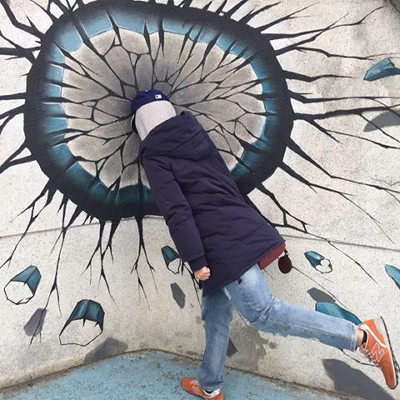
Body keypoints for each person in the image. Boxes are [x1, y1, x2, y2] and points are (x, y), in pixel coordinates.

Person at [133, 89, 398, 399]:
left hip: (220, 244)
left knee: (264, 314)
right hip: (234, 229)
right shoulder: (194, 135)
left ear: (140, 124)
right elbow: (227, 186)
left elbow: (177, 211)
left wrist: (195, 259)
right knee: (215, 313)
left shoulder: (154, 154)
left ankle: (360, 336)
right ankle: (210, 385)